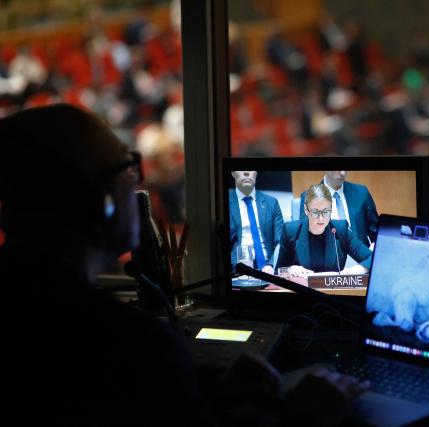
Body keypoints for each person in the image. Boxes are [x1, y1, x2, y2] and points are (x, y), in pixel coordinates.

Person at [0, 104, 366, 425]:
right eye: (127, 168)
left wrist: (212, 390)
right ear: (101, 202)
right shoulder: (132, 343)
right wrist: (302, 416)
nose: (137, 183)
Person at [280, 184, 372, 277]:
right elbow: (278, 271)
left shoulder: (340, 229)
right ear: (306, 210)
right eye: (315, 212)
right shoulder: (290, 231)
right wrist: (290, 269)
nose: (321, 218)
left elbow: (372, 258)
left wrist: (357, 269)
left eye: (326, 212)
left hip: (332, 290)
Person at [300, 171, 379, 247]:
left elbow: (376, 233)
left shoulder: (361, 193)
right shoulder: (309, 198)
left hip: (362, 257)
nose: (343, 173)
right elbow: (308, 238)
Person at [229, 170, 284, 274]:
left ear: (256, 172)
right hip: (236, 269)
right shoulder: (224, 201)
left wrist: (271, 265)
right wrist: (237, 266)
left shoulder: (271, 203)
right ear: (233, 172)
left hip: (268, 268)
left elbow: (281, 240)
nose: (246, 172)